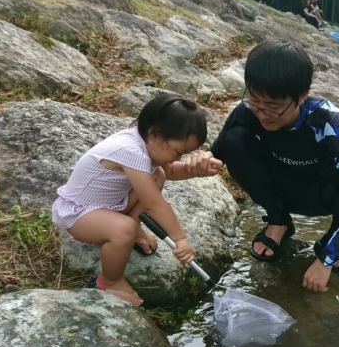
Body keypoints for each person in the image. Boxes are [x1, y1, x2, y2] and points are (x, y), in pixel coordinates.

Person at [185, 40, 339, 292]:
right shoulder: (249, 110)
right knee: (235, 138)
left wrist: (325, 261)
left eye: (274, 107)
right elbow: (220, 151)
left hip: (322, 195)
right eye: (256, 101)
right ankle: (279, 221)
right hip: (280, 188)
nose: (263, 114)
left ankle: (331, 246)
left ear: (302, 95)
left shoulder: (326, 120)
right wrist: (203, 158)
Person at [51, 94, 223, 306]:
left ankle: (131, 229)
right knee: (124, 229)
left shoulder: (146, 143)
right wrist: (180, 239)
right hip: (79, 215)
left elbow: (168, 171)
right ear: (154, 134)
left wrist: (194, 170)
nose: (177, 159)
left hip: (109, 206)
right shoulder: (130, 150)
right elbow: (153, 204)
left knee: (157, 174)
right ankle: (110, 282)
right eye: (178, 152)